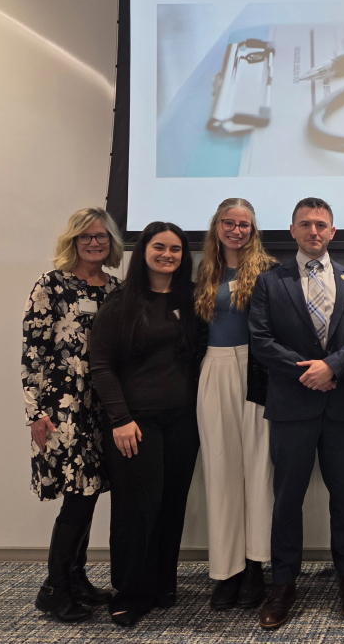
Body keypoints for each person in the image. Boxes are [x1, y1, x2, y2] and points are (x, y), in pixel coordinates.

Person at [249, 197, 344, 629]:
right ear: (292, 231)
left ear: (333, 232)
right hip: (291, 406)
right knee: (287, 501)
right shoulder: (270, 282)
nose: (314, 232)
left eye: (321, 225)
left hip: (341, 407)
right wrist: (308, 372)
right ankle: (282, 584)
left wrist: (332, 367)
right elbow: (261, 341)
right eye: (305, 225)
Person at [89, 222, 205, 627]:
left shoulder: (190, 300)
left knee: (172, 504)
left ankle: (162, 583)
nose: (168, 255)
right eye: (160, 247)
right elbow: (101, 366)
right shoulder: (121, 303)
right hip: (134, 424)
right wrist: (120, 418)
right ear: (144, 252)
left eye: (176, 249)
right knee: (137, 507)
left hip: (182, 421)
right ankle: (130, 591)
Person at [22, 208, 123, 622]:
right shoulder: (51, 285)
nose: (94, 243)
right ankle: (53, 588)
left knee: (91, 492)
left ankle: (76, 578)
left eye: (101, 236)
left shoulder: (115, 289)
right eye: (86, 237)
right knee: (76, 499)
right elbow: (33, 350)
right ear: (73, 241)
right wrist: (36, 412)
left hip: (103, 405)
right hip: (64, 408)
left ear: (111, 242)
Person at [193, 198, 277, 610]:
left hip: (255, 370)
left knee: (257, 468)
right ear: (217, 226)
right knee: (221, 470)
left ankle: (256, 565)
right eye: (229, 222)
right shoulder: (203, 271)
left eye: (244, 224)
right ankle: (227, 571)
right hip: (215, 369)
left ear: (253, 230)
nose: (236, 230)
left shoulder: (268, 271)